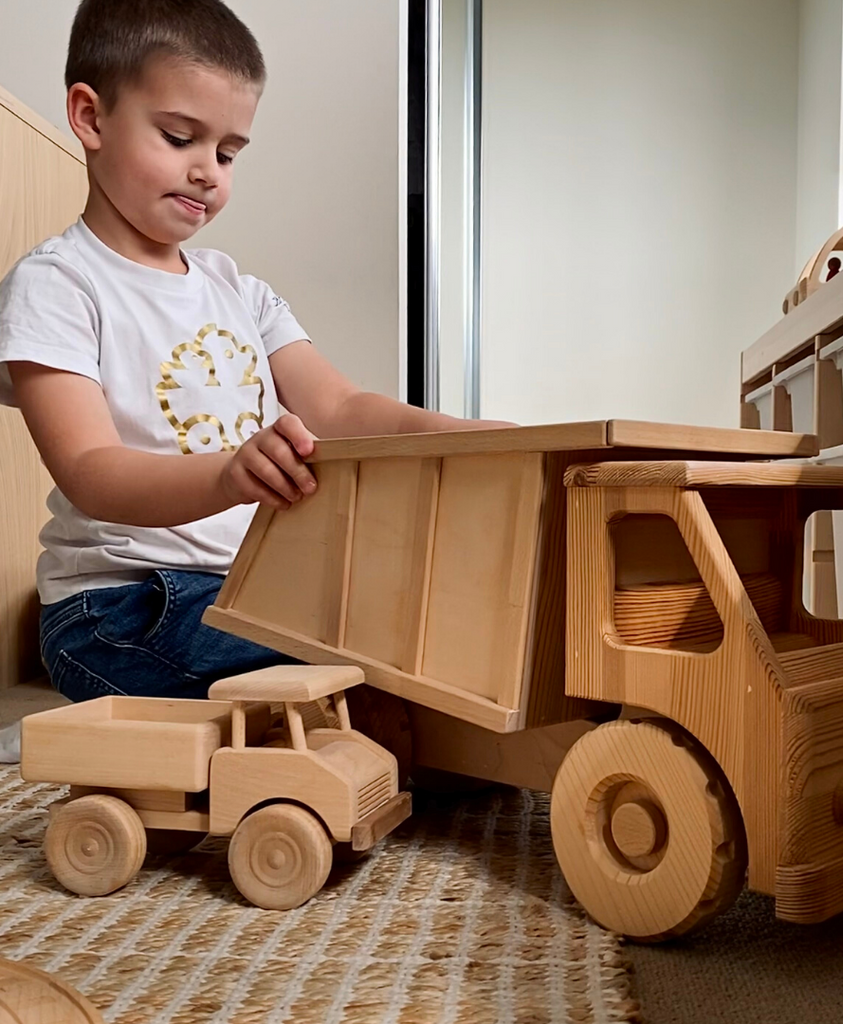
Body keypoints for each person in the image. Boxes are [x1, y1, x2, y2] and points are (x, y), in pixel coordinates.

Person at [0, 0, 509, 763]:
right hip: (119, 609)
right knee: (357, 695)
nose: (207, 170)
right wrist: (230, 476)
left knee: (430, 649)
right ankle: (93, 732)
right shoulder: (59, 285)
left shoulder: (238, 289)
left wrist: (478, 439)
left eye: (229, 152)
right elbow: (92, 472)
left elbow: (339, 406)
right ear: (90, 116)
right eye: (179, 138)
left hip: (246, 594)